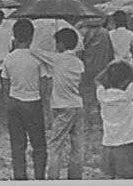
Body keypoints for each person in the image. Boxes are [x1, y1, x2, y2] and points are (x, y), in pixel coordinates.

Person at [29, 28, 85, 180]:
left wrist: (40, 36)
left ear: (61, 44)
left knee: (55, 146)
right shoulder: (79, 63)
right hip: (77, 105)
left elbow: (34, 51)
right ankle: (75, 177)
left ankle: (53, 178)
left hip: (63, 106)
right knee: (77, 145)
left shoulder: (58, 59)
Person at [1, 19, 47, 180]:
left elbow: (5, 84)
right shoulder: (38, 58)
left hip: (14, 101)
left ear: (14, 36)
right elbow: (43, 85)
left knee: (18, 145)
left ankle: (20, 177)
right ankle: (39, 177)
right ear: (32, 36)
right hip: (33, 100)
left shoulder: (8, 58)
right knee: (39, 145)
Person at [94, 60, 133, 179]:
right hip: (125, 145)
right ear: (126, 82)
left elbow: (97, 80)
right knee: (127, 177)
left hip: (107, 144)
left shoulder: (103, 96)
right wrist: (125, 62)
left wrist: (109, 66)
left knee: (108, 176)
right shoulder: (126, 96)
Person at [78, 19, 114, 127]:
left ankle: (87, 122)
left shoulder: (82, 32)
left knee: (86, 96)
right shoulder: (105, 32)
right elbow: (110, 52)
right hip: (102, 68)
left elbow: (79, 51)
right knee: (101, 95)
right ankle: (101, 122)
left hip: (87, 68)